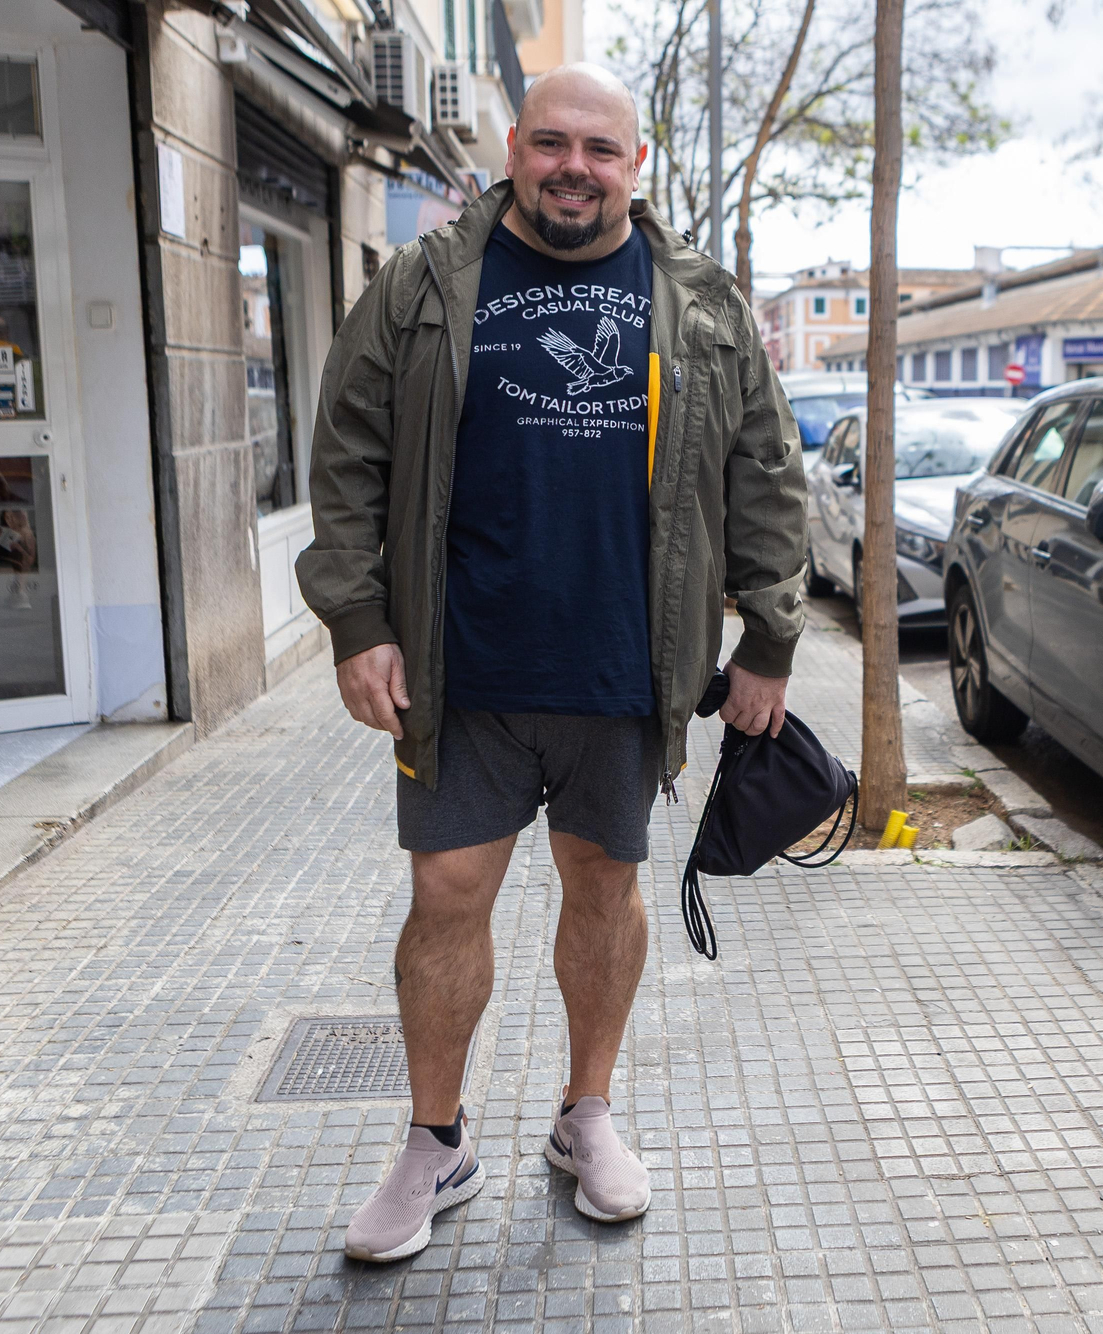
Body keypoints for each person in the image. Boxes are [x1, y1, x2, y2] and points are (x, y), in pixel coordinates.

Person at [295, 62, 807, 1263]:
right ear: (513, 149)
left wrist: (770, 639)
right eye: (552, 142)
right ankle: (434, 1140)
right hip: (461, 671)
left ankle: (587, 1115)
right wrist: (356, 620)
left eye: (600, 148)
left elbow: (765, 478)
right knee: (445, 900)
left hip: (624, 673)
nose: (574, 165)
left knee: (603, 894)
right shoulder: (425, 287)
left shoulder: (701, 303)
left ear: (636, 165)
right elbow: (347, 457)